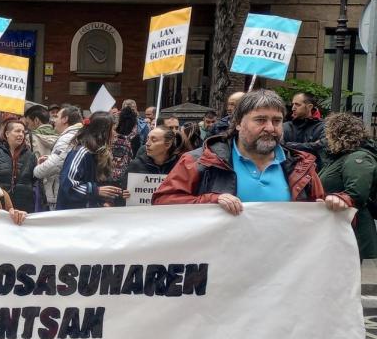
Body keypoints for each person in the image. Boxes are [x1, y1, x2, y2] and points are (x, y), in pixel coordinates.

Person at [153, 89, 349, 215]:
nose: (271, 128)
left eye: (277, 121)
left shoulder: (301, 165)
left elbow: (322, 220)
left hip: (283, 276)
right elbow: (162, 203)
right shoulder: (199, 161)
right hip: (221, 274)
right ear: (238, 123)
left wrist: (337, 203)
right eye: (260, 120)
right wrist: (211, 200)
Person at [319, 113, 377, 260]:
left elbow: (357, 192)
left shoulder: (357, 158)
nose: (326, 138)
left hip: (355, 230)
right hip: (342, 227)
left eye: (328, 133)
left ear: (338, 134)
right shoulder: (341, 158)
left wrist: (340, 198)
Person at [57, 112, 127, 210]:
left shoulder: (100, 154)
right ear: (102, 133)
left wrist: (114, 197)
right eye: (113, 130)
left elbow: (103, 186)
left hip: (90, 216)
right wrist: (95, 191)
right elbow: (68, 186)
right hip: (72, 218)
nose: (115, 134)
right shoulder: (81, 152)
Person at [33, 105, 83, 211]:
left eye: (57, 117)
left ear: (65, 119)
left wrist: (37, 169)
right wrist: (51, 157)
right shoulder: (78, 134)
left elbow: (53, 165)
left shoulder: (67, 138)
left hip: (63, 193)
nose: (53, 120)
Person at [0, 119, 37, 212]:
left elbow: (34, 179)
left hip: (24, 206)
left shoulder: (30, 155)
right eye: (17, 131)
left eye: (23, 132)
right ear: (7, 134)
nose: (21, 134)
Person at [283, 92, 325, 157]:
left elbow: (322, 147)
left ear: (309, 107)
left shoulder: (322, 126)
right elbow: (280, 146)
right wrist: (312, 145)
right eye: (293, 104)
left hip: (315, 166)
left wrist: (289, 145)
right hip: (288, 166)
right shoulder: (286, 126)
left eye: (297, 105)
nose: (293, 108)